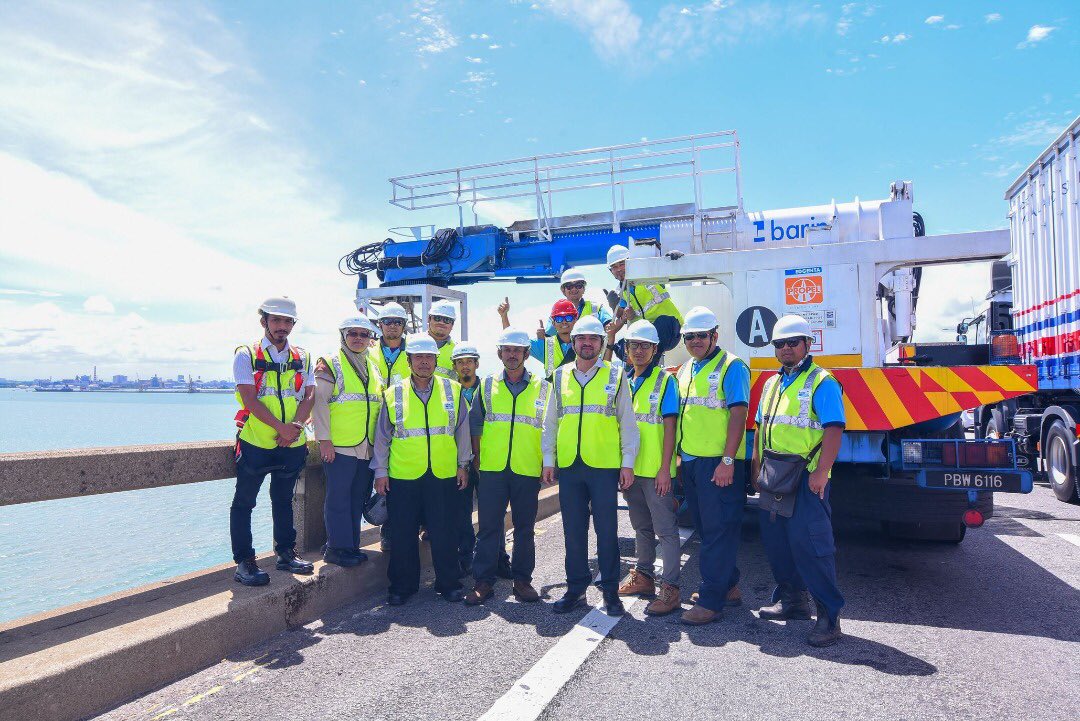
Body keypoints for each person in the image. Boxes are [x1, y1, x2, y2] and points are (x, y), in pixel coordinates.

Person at [753, 314, 846, 647]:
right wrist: (756, 468)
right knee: (778, 544)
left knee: (812, 548)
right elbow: (760, 428)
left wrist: (822, 472)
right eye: (780, 344)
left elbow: (834, 428)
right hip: (774, 476)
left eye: (793, 342)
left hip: (806, 478)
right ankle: (793, 601)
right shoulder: (771, 384)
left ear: (808, 344)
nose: (786, 349)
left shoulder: (822, 382)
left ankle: (829, 618)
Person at [545, 315, 639, 617]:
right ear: (573, 343)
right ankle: (575, 590)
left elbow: (627, 422)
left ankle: (610, 591)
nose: (587, 344)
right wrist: (549, 460)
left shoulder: (616, 375)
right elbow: (550, 422)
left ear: (601, 343)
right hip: (570, 467)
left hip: (603, 467)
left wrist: (627, 463)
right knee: (573, 532)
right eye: (582, 339)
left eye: (594, 339)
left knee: (607, 531)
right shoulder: (559, 376)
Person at [372, 336, 471, 605]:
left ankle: (448, 583)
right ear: (409, 361)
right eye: (418, 357)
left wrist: (463, 465)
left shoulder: (453, 390)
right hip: (403, 475)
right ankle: (402, 587)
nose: (424, 362)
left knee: (444, 531)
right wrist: (380, 471)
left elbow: (462, 431)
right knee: (403, 533)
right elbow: (382, 436)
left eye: (429, 357)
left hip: (443, 473)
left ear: (436, 361)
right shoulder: (393, 393)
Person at [465, 328, 556, 605]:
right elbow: (475, 423)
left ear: (526, 354)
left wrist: (547, 462)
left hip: (527, 468)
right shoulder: (487, 385)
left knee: (524, 528)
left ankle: (522, 581)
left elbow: (550, 428)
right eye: (507, 349)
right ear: (500, 353)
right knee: (488, 527)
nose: (512, 354)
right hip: (492, 468)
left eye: (517, 350)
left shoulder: (543, 387)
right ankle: (483, 581)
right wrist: (478, 457)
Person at [231, 297, 316, 586]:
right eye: (276, 320)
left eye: (287, 321)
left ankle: (286, 553)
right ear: (263, 321)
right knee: (244, 503)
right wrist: (282, 428)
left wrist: (295, 427)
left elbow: (309, 395)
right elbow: (249, 398)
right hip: (256, 443)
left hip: (291, 443)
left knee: (283, 500)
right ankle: (244, 562)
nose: (282, 326)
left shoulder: (303, 356)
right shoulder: (246, 354)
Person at [675, 306, 750, 625]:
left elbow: (739, 414)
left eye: (701, 336)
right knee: (706, 529)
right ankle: (728, 586)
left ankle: (711, 600)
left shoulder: (733, 367)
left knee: (719, 530)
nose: (695, 341)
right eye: (689, 336)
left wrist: (727, 460)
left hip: (719, 464)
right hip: (692, 462)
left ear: (714, 336)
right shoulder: (686, 369)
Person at [615, 320, 683, 616]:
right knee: (640, 527)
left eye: (645, 346)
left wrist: (665, 469)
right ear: (627, 349)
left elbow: (670, 428)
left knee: (665, 530)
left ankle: (671, 588)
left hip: (656, 471)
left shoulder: (666, 381)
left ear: (655, 350)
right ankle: (643, 576)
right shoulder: (624, 382)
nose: (639, 351)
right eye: (634, 345)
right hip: (631, 470)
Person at [313, 316, 383, 568]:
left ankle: (351, 545)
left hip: (366, 445)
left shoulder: (372, 365)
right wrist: (324, 440)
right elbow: (319, 403)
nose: (358, 339)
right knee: (338, 498)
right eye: (352, 333)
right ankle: (336, 548)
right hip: (339, 446)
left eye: (364, 334)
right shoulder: (330, 363)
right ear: (343, 335)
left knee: (357, 497)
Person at [605, 244, 684, 356]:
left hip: (669, 329)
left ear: (631, 262)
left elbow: (666, 270)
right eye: (614, 267)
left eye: (622, 264)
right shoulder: (620, 292)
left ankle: (651, 361)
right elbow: (622, 315)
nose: (619, 269)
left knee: (662, 322)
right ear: (611, 271)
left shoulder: (649, 275)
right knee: (623, 346)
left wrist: (672, 260)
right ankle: (641, 363)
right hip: (646, 335)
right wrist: (614, 305)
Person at [451, 343, 482, 576]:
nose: (465, 366)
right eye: (460, 362)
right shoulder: (449, 392)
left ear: (476, 364)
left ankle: (497, 557)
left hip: (486, 460)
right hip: (459, 460)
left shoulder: (489, 389)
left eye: (469, 361)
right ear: (454, 366)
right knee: (461, 512)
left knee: (492, 512)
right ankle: (465, 557)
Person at [498, 297, 579, 377]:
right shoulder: (545, 345)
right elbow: (513, 340)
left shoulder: (584, 343)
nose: (564, 322)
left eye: (568, 318)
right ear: (553, 323)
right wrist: (504, 316)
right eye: (559, 319)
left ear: (575, 320)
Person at [541, 268, 613, 336]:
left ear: (584, 289)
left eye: (578, 286)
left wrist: (615, 308)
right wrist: (540, 339)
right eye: (569, 286)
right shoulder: (556, 312)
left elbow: (611, 328)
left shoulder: (596, 308)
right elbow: (549, 337)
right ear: (563, 290)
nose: (574, 289)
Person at [371, 302, 411, 386]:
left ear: (404, 326)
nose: (392, 326)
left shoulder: (413, 351)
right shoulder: (369, 351)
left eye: (398, 322)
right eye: (387, 322)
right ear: (380, 325)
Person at [428, 299, 458, 381]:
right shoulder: (409, 344)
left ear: (452, 325)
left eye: (446, 320)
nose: (441, 323)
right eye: (437, 318)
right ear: (429, 319)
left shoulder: (457, 352)